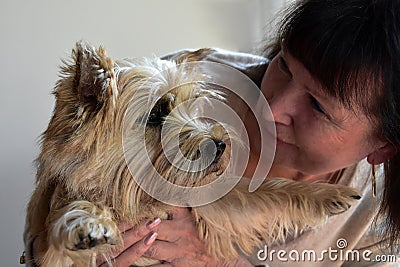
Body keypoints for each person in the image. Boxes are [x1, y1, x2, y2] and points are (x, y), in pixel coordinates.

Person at [27, 0, 400, 266]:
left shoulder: (377, 224)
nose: (272, 108)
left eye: (318, 106)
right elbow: (52, 207)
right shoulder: (186, 78)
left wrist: (220, 264)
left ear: (384, 146)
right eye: (284, 65)